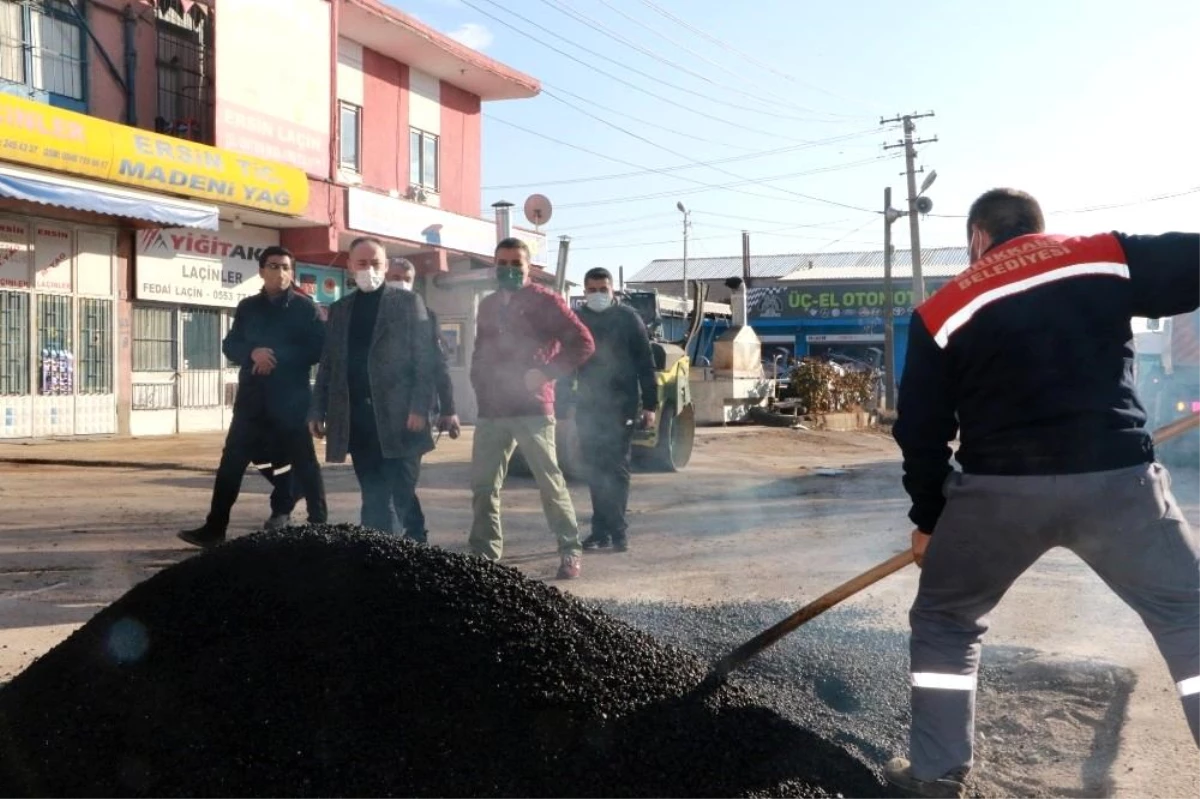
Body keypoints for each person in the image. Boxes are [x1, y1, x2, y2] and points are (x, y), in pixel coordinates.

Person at [886, 188, 1200, 797]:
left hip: (997, 493)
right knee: (1189, 615)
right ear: (1037, 227)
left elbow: (920, 431)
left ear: (978, 238)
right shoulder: (1103, 256)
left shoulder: (942, 309)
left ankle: (935, 774)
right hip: (1118, 483)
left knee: (947, 619)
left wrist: (930, 519)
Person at [179, 246, 327, 548]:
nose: (280, 273)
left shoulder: (305, 308)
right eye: (273, 266)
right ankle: (214, 529)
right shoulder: (247, 307)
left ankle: (319, 526)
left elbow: (319, 350)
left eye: (286, 267)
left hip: (291, 400)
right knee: (231, 463)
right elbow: (230, 345)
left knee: (305, 462)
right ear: (261, 271)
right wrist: (252, 353)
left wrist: (276, 357)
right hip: (251, 402)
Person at [469, 237, 595, 579]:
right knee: (483, 485)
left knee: (549, 482)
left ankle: (570, 549)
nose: (508, 270)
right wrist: (478, 382)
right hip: (493, 409)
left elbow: (583, 342)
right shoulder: (489, 304)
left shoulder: (546, 301)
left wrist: (546, 373)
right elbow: (481, 348)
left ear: (528, 268)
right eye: (502, 264)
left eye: (516, 264)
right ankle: (484, 551)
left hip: (532, 409)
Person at [309, 238, 434, 534]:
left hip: (400, 417)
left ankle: (419, 545)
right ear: (350, 267)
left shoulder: (407, 303)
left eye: (375, 263)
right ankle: (377, 552)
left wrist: (419, 407)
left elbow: (424, 359)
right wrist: (317, 409)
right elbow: (328, 364)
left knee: (402, 489)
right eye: (362, 263)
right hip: (358, 419)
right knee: (372, 492)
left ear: (386, 265)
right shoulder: (340, 309)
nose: (369, 269)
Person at [574, 267, 657, 553]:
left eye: (603, 289)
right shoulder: (577, 319)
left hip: (622, 404)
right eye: (592, 289)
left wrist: (650, 405)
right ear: (584, 291)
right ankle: (601, 532)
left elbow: (646, 363)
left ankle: (618, 531)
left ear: (613, 291)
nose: (598, 295)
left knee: (617, 467)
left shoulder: (627, 318)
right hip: (587, 405)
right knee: (595, 468)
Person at [384, 257, 461, 543]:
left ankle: (403, 537)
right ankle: (413, 532)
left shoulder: (425, 315)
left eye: (405, 277)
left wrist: (449, 409)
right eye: (393, 276)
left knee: (403, 476)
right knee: (388, 480)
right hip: (378, 413)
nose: (399, 281)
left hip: (414, 414)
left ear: (413, 281)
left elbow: (436, 366)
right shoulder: (371, 314)